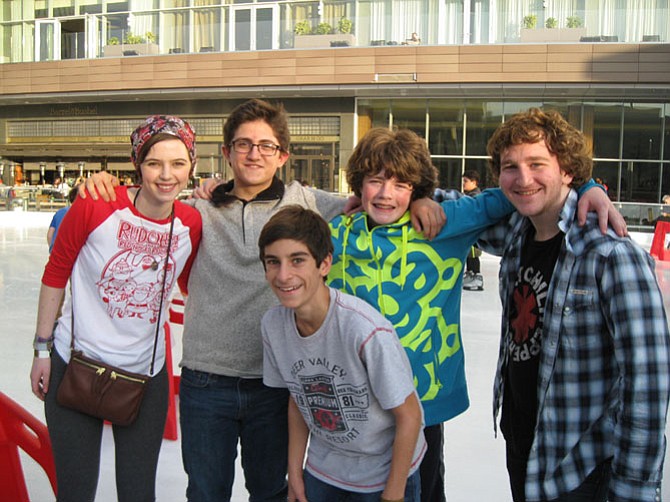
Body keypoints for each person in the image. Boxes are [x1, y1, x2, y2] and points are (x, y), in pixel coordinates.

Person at [79, 99, 445, 501]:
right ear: (226, 152)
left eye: (266, 145)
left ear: (283, 155)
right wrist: (101, 185)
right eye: (243, 144)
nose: (254, 154)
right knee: (204, 492)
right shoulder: (196, 207)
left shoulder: (308, 201)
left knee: (270, 491)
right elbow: (136, 206)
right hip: (206, 380)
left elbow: (378, 201)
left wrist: (425, 197)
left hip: (274, 386)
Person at [326, 127, 621, 502]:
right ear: (358, 185)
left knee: (423, 491)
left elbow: (512, 192)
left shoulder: (444, 222)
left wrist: (588, 184)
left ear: (416, 189)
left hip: (423, 398)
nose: (386, 193)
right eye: (375, 181)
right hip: (355, 399)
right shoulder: (337, 236)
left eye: (401, 184)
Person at [484, 108, 670, 501]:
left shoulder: (610, 255)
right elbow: (450, 211)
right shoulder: (518, 232)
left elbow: (648, 381)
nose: (523, 179)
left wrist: (634, 488)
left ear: (568, 171)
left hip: (583, 467)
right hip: (525, 448)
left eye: (537, 164)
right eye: (510, 167)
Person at [30, 115, 202, 501]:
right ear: (137, 164)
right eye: (154, 162)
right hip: (75, 362)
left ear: (192, 166)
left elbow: (191, 285)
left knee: (138, 492)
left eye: (178, 163)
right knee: (75, 491)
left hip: (145, 373)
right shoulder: (96, 204)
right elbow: (56, 273)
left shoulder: (191, 222)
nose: (166, 175)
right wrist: (41, 350)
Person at [258, 206, 427, 501]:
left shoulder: (364, 330)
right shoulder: (273, 325)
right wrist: (294, 474)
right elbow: (298, 401)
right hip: (325, 469)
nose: (284, 275)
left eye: (297, 260)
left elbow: (410, 416)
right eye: (273, 262)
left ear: (324, 264)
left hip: (383, 473)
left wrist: (393, 495)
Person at [461, 169, 484, 291]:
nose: (463, 184)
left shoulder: (476, 196)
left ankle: (477, 276)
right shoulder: (469, 195)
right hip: (469, 232)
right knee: (469, 254)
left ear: (474, 182)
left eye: (466, 181)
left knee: (474, 254)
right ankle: (470, 273)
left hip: (474, 232)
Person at [46, 186, 78, 253]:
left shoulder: (60, 212)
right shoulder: (82, 213)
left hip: (57, 251)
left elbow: (50, 234)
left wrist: (52, 249)